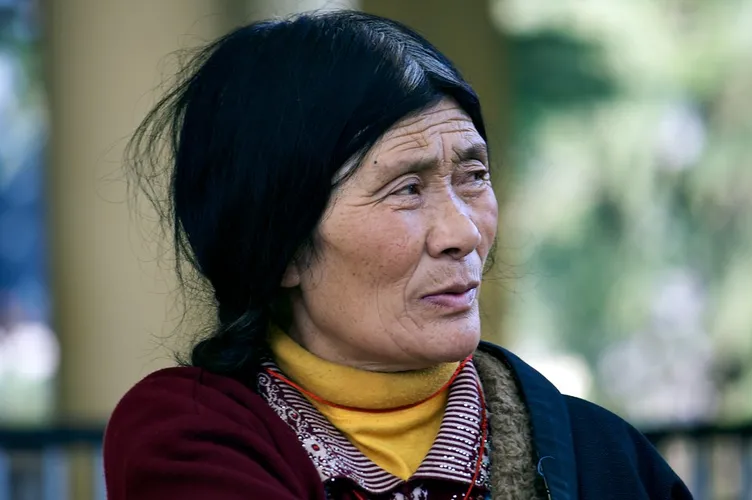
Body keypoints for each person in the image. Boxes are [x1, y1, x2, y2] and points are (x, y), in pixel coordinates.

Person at [103, 10, 692, 500]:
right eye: (406, 189)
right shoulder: (191, 437)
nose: (462, 233)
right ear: (278, 245)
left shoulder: (604, 459)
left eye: (474, 175)